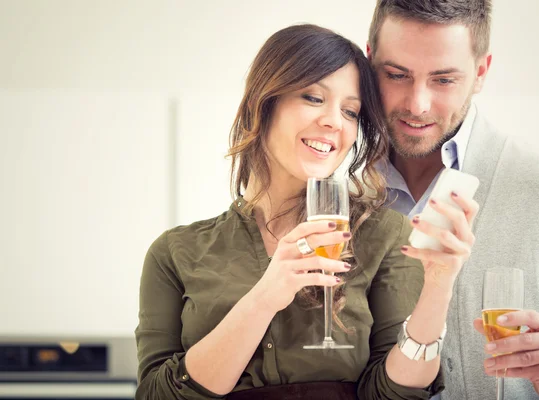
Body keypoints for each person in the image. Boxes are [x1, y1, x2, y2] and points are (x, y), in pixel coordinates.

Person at [135, 23, 479, 399]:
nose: (334, 121)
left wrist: (438, 288)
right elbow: (156, 394)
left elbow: (394, 395)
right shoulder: (175, 252)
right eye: (314, 98)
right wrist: (265, 297)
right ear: (263, 104)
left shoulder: (383, 235)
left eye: (350, 111)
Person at [366, 1, 539, 399]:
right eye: (396, 74)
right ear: (370, 61)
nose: (417, 104)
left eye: (443, 80)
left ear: (480, 73)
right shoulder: (336, 193)